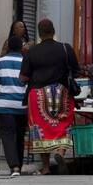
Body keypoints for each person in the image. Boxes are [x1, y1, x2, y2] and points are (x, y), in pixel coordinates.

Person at [20, 17, 82, 175]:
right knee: (63, 124)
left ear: (39, 34)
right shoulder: (65, 48)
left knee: (40, 128)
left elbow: (23, 78)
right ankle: (60, 153)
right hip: (62, 94)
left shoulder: (31, 51)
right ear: (54, 32)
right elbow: (76, 71)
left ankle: (46, 167)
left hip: (38, 95)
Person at [0, 35, 28, 177]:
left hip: (4, 105)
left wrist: (1, 91)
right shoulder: (26, 62)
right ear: (20, 47)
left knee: (7, 135)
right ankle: (19, 164)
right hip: (22, 106)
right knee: (19, 135)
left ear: (8, 47)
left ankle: (14, 167)